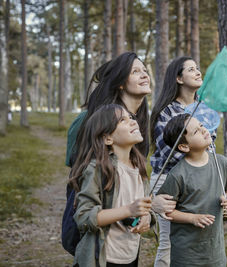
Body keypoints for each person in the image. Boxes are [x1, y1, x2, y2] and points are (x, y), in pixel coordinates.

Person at [65, 52, 176, 226]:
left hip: (126, 234)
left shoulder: (137, 125)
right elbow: (84, 179)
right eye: (135, 72)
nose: (145, 75)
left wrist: (147, 210)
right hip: (96, 230)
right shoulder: (88, 120)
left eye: (145, 70)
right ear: (121, 83)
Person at [69, 104, 153, 267]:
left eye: (131, 118)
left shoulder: (139, 168)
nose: (133, 122)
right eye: (123, 120)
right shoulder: (97, 169)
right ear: (108, 138)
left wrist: (147, 217)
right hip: (102, 258)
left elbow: (144, 207)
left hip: (130, 256)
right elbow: (84, 216)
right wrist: (128, 210)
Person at [156, 113, 227, 267]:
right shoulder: (177, 174)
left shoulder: (221, 162)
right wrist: (192, 219)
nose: (203, 130)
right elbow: (167, 212)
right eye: (196, 131)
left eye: (201, 125)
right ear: (184, 146)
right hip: (186, 255)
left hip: (214, 251)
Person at [149, 56, 204, 266]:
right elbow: (168, 153)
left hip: (197, 180)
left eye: (198, 68)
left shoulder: (203, 108)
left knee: (195, 240)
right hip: (168, 180)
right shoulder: (167, 112)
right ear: (179, 78)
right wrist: (198, 158)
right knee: (169, 243)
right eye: (191, 69)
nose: (198, 72)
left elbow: (210, 145)